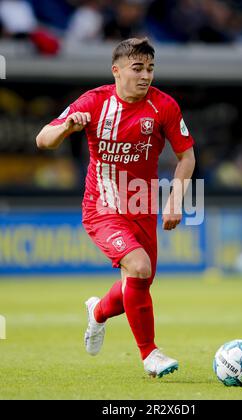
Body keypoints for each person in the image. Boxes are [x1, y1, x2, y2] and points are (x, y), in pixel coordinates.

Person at [36, 38, 195, 378]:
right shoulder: (94, 102)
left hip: (142, 204)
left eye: (150, 69)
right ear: (117, 71)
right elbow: (42, 139)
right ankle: (150, 355)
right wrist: (67, 127)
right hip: (102, 205)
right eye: (137, 69)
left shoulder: (164, 106)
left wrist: (175, 199)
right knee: (137, 267)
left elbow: (187, 156)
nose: (145, 76)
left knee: (138, 283)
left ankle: (97, 312)